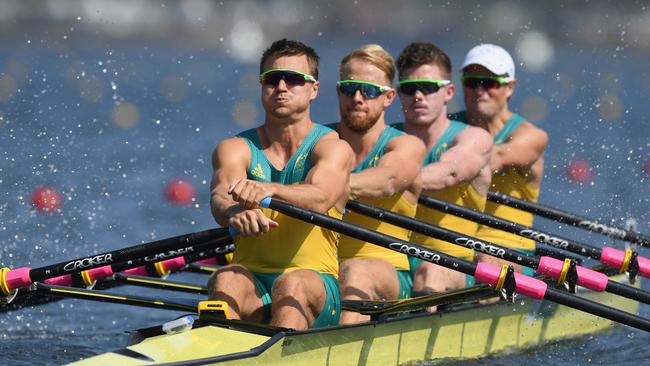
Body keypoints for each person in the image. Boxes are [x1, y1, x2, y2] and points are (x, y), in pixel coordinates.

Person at [207, 39, 354, 330]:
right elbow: (219, 196)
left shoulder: (333, 148)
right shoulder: (235, 148)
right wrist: (233, 212)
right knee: (224, 277)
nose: (282, 87)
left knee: (292, 283)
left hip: (315, 285)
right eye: (272, 79)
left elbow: (321, 196)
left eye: (294, 79)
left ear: (314, 89)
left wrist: (270, 189)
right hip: (253, 284)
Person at [332, 44, 425, 324]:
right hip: (322, 269)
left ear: (388, 97)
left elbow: (386, 181)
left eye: (370, 90)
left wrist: (324, 189)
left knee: (355, 271)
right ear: (338, 91)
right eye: (349, 88)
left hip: (389, 273)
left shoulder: (406, 145)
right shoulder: (320, 142)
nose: (358, 98)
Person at [394, 41, 493, 296]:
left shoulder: (473, 138)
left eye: (427, 88)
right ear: (397, 94)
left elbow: (450, 173)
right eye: (409, 88)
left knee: (431, 270)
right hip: (394, 261)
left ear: (448, 92)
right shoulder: (387, 138)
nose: (418, 96)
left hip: (453, 264)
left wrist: (384, 181)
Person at [452, 44, 548, 272]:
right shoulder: (448, 126)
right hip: (455, 242)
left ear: (510, 87)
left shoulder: (530, 136)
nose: (479, 90)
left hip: (509, 248)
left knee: (486, 262)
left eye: (489, 83)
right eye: (472, 82)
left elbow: (492, 159)